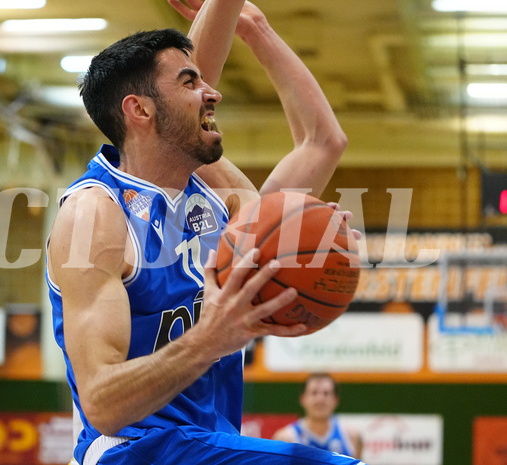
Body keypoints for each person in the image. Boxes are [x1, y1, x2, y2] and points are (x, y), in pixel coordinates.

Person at [46, 0, 363, 463]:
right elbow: (101, 403)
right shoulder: (95, 214)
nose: (212, 93)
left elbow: (323, 143)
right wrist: (208, 340)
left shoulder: (220, 199)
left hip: (203, 443)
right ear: (139, 111)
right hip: (131, 449)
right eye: (191, 83)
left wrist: (309, 239)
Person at [273, 373, 363, 458]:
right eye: (314, 393)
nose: (320, 399)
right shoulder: (285, 438)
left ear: (336, 399)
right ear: (302, 398)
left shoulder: (351, 436)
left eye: (326, 393)